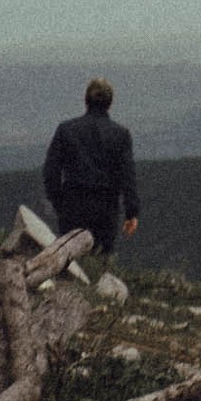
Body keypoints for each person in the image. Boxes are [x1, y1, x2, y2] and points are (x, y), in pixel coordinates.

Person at [43, 75, 139, 269]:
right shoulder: (121, 134)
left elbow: (50, 171)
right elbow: (127, 176)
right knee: (101, 262)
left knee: (71, 263)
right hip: (106, 207)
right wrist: (132, 213)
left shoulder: (66, 130)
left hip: (73, 204)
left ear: (86, 100)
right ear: (110, 103)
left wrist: (59, 202)